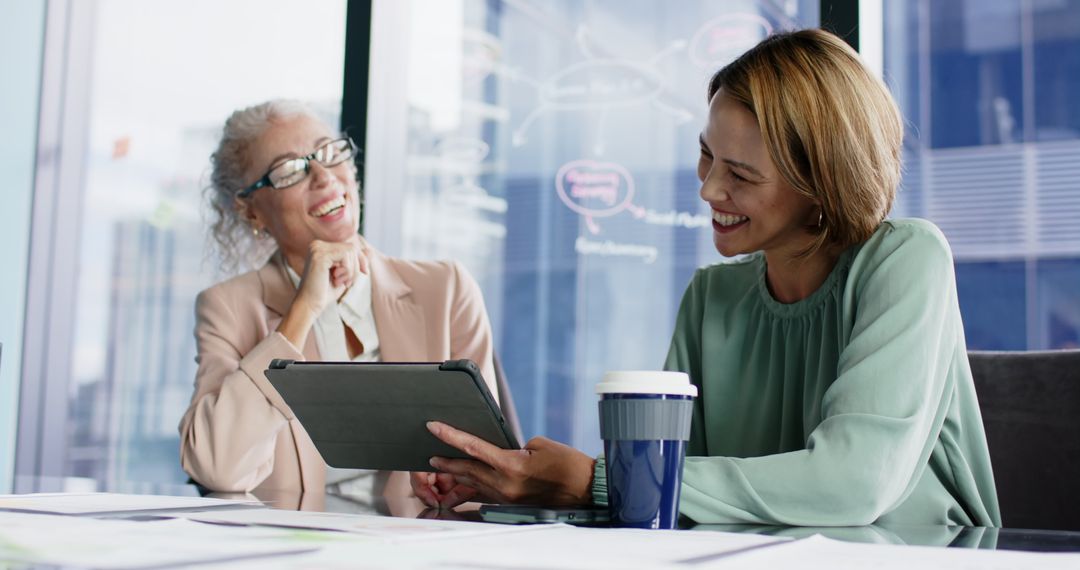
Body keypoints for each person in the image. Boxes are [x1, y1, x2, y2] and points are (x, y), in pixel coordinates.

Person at [414, 29, 1002, 527]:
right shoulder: (712, 295)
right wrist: (512, 495)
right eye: (706, 156)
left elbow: (855, 483)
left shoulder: (905, 259)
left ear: (821, 180)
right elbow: (663, 499)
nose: (709, 189)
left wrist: (593, 479)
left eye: (740, 174)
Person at [180, 100, 498, 500]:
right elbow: (218, 467)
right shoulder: (227, 307)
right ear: (251, 211)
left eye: (330, 152)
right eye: (289, 170)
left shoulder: (446, 289)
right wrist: (303, 311)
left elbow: (489, 466)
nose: (323, 176)